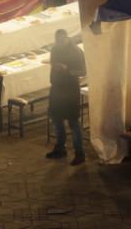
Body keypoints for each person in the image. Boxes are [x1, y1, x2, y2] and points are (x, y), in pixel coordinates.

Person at [44, 30, 86, 165]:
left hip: (70, 90)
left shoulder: (76, 52)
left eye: (61, 40)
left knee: (73, 122)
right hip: (56, 88)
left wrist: (66, 69)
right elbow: (53, 64)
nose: (59, 43)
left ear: (67, 38)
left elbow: (83, 71)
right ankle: (60, 148)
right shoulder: (55, 49)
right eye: (57, 40)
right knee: (56, 119)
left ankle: (79, 153)